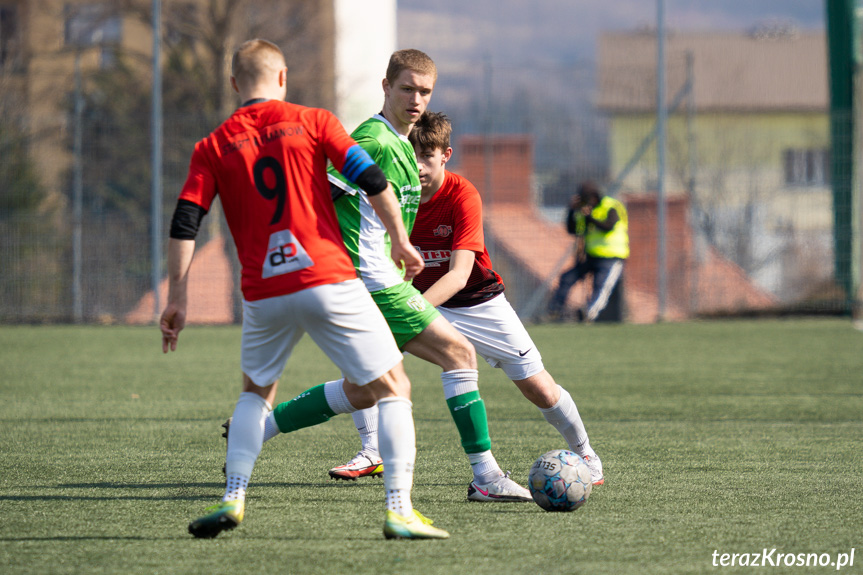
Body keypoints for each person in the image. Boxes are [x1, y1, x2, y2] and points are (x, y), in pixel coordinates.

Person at [161, 39, 448, 540]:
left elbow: (186, 220)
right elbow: (370, 176)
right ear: (283, 78)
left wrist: (178, 297)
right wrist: (400, 240)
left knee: (255, 394)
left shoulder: (211, 146)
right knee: (394, 387)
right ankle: (399, 509)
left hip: (263, 290)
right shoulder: (315, 121)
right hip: (328, 277)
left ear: (234, 84)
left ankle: (233, 497)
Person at [259, 49, 531, 502]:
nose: (416, 98)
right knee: (460, 355)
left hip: (374, 282)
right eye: (407, 88)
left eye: (424, 91)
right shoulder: (375, 142)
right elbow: (316, 195)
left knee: (365, 389)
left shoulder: (402, 144)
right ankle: (485, 476)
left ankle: (259, 427)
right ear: (386, 87)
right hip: (371, 282)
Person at [326, 111, 603, 487]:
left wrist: (416, 307)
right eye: (411, 155)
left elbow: (458, 275)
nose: (419, 165)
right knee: (363, 362)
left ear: (446, 155)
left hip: (476, 302)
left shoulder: (461, 195)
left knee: (539, 387)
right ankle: (373, 451)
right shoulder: (389, 192)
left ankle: (585, 452)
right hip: (413, 298)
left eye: (428, 155)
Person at [547, 181, 629, 323]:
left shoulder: (611, 206)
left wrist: (590, 216)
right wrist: (572, 210)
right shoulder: (583, 211)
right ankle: (555, 310)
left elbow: (608, 226)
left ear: (594, 197)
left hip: (611, 256)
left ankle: (589, 314)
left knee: (601, 286)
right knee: (567, 278)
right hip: (590, 257)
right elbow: (573, 230)